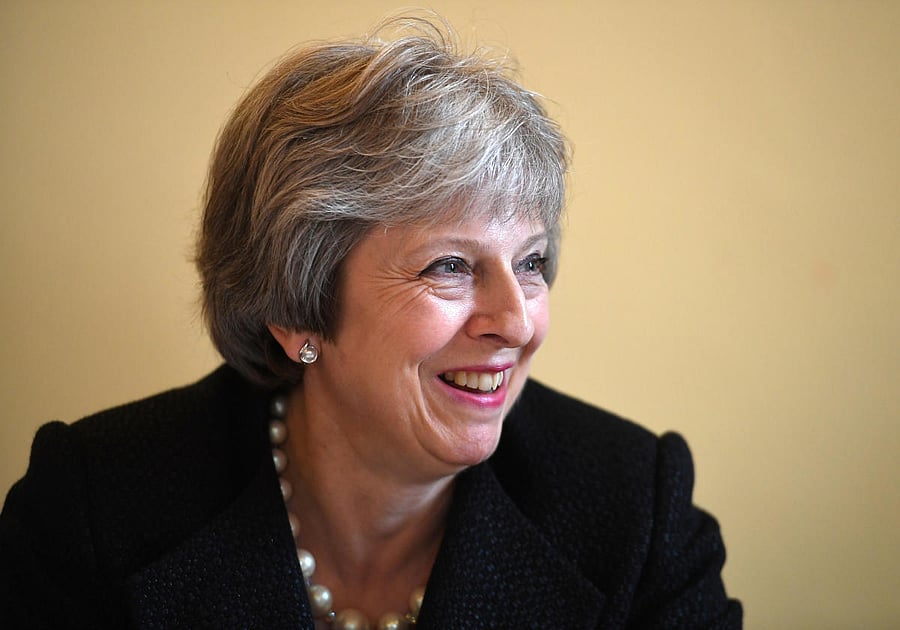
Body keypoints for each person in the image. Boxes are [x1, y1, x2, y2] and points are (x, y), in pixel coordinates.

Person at [0, 17, 742, 630]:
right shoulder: (93, 504)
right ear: (296, 310)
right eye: (449, 266)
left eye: (530, 262)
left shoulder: (636, 510)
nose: (517, 323)